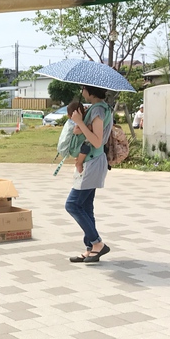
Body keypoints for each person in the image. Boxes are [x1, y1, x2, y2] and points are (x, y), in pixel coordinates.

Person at [65, 85, 114, 263]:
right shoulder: (98, 108)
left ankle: (97, 243)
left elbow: (97, 141)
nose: (82, 91)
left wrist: (79, 122)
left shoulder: (98, 110)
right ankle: (91, 248)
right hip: (92, 161)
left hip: (93, 162)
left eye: (83, 88)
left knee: (72, 205)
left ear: (90, 90)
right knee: (85, 207)